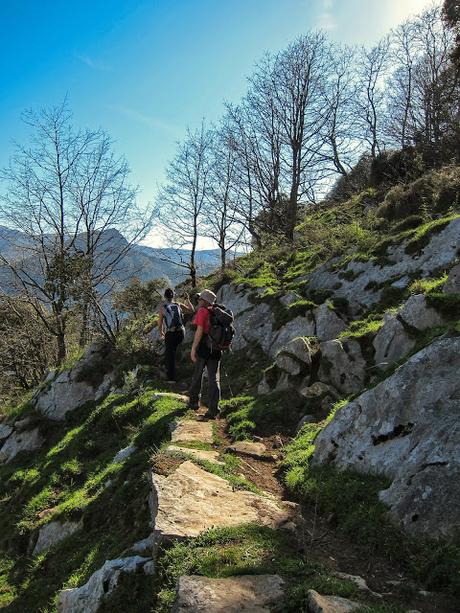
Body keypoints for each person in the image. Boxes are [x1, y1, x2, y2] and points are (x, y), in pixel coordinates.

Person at [189, 288, 221, 419]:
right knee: (214, 378)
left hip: (203, 348)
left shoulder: (202, 311)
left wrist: (193, 349)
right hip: (216, 349)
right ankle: (213, 409)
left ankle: (193, 402)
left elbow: (199, 331)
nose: (198, 300)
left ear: (204, 301)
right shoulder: (217, 312)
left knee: (197, 374)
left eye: (200, 298)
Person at [158, 288, 193, 383]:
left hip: (171, 333)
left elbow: (160, 322)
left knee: (170, 355)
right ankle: (185, 370)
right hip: (181, 332)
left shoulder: (163, 307)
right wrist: (187, 299)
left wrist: (161, 333)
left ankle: (171, 378)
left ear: (165, 296)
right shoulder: (178, 304)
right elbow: (191, 310)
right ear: (173, 296)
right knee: (175, 350)